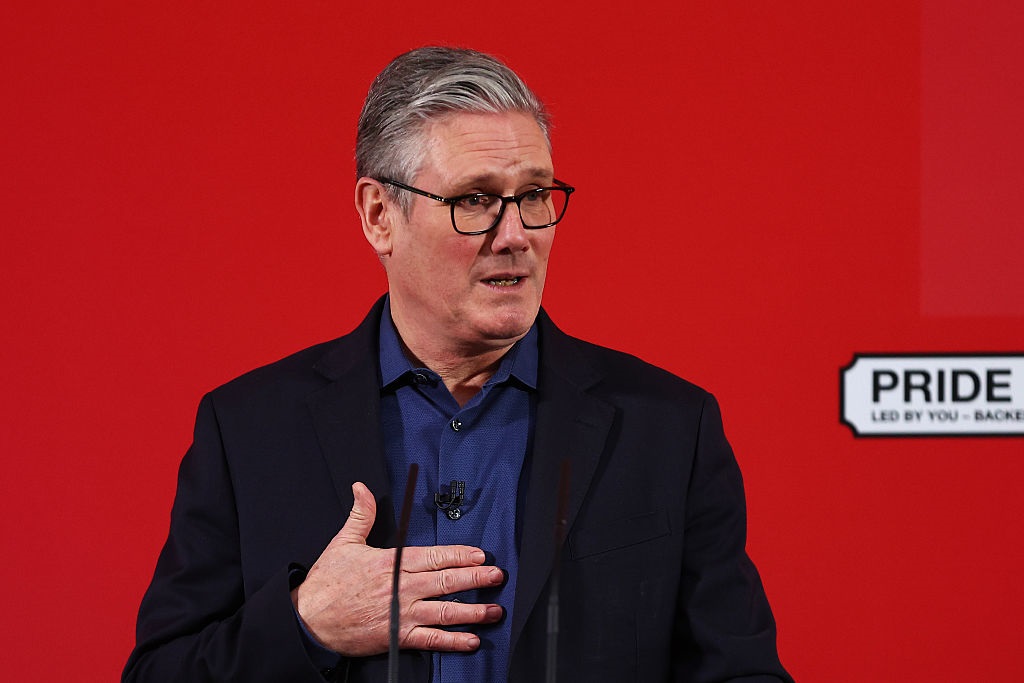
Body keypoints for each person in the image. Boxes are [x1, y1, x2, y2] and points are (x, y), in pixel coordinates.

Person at [124, 46, 792, 683]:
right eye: (475, 199)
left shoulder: (668, 429)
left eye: (535, 194)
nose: (517, 235)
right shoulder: (249, 430)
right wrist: (307, 623)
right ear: (380, 215)